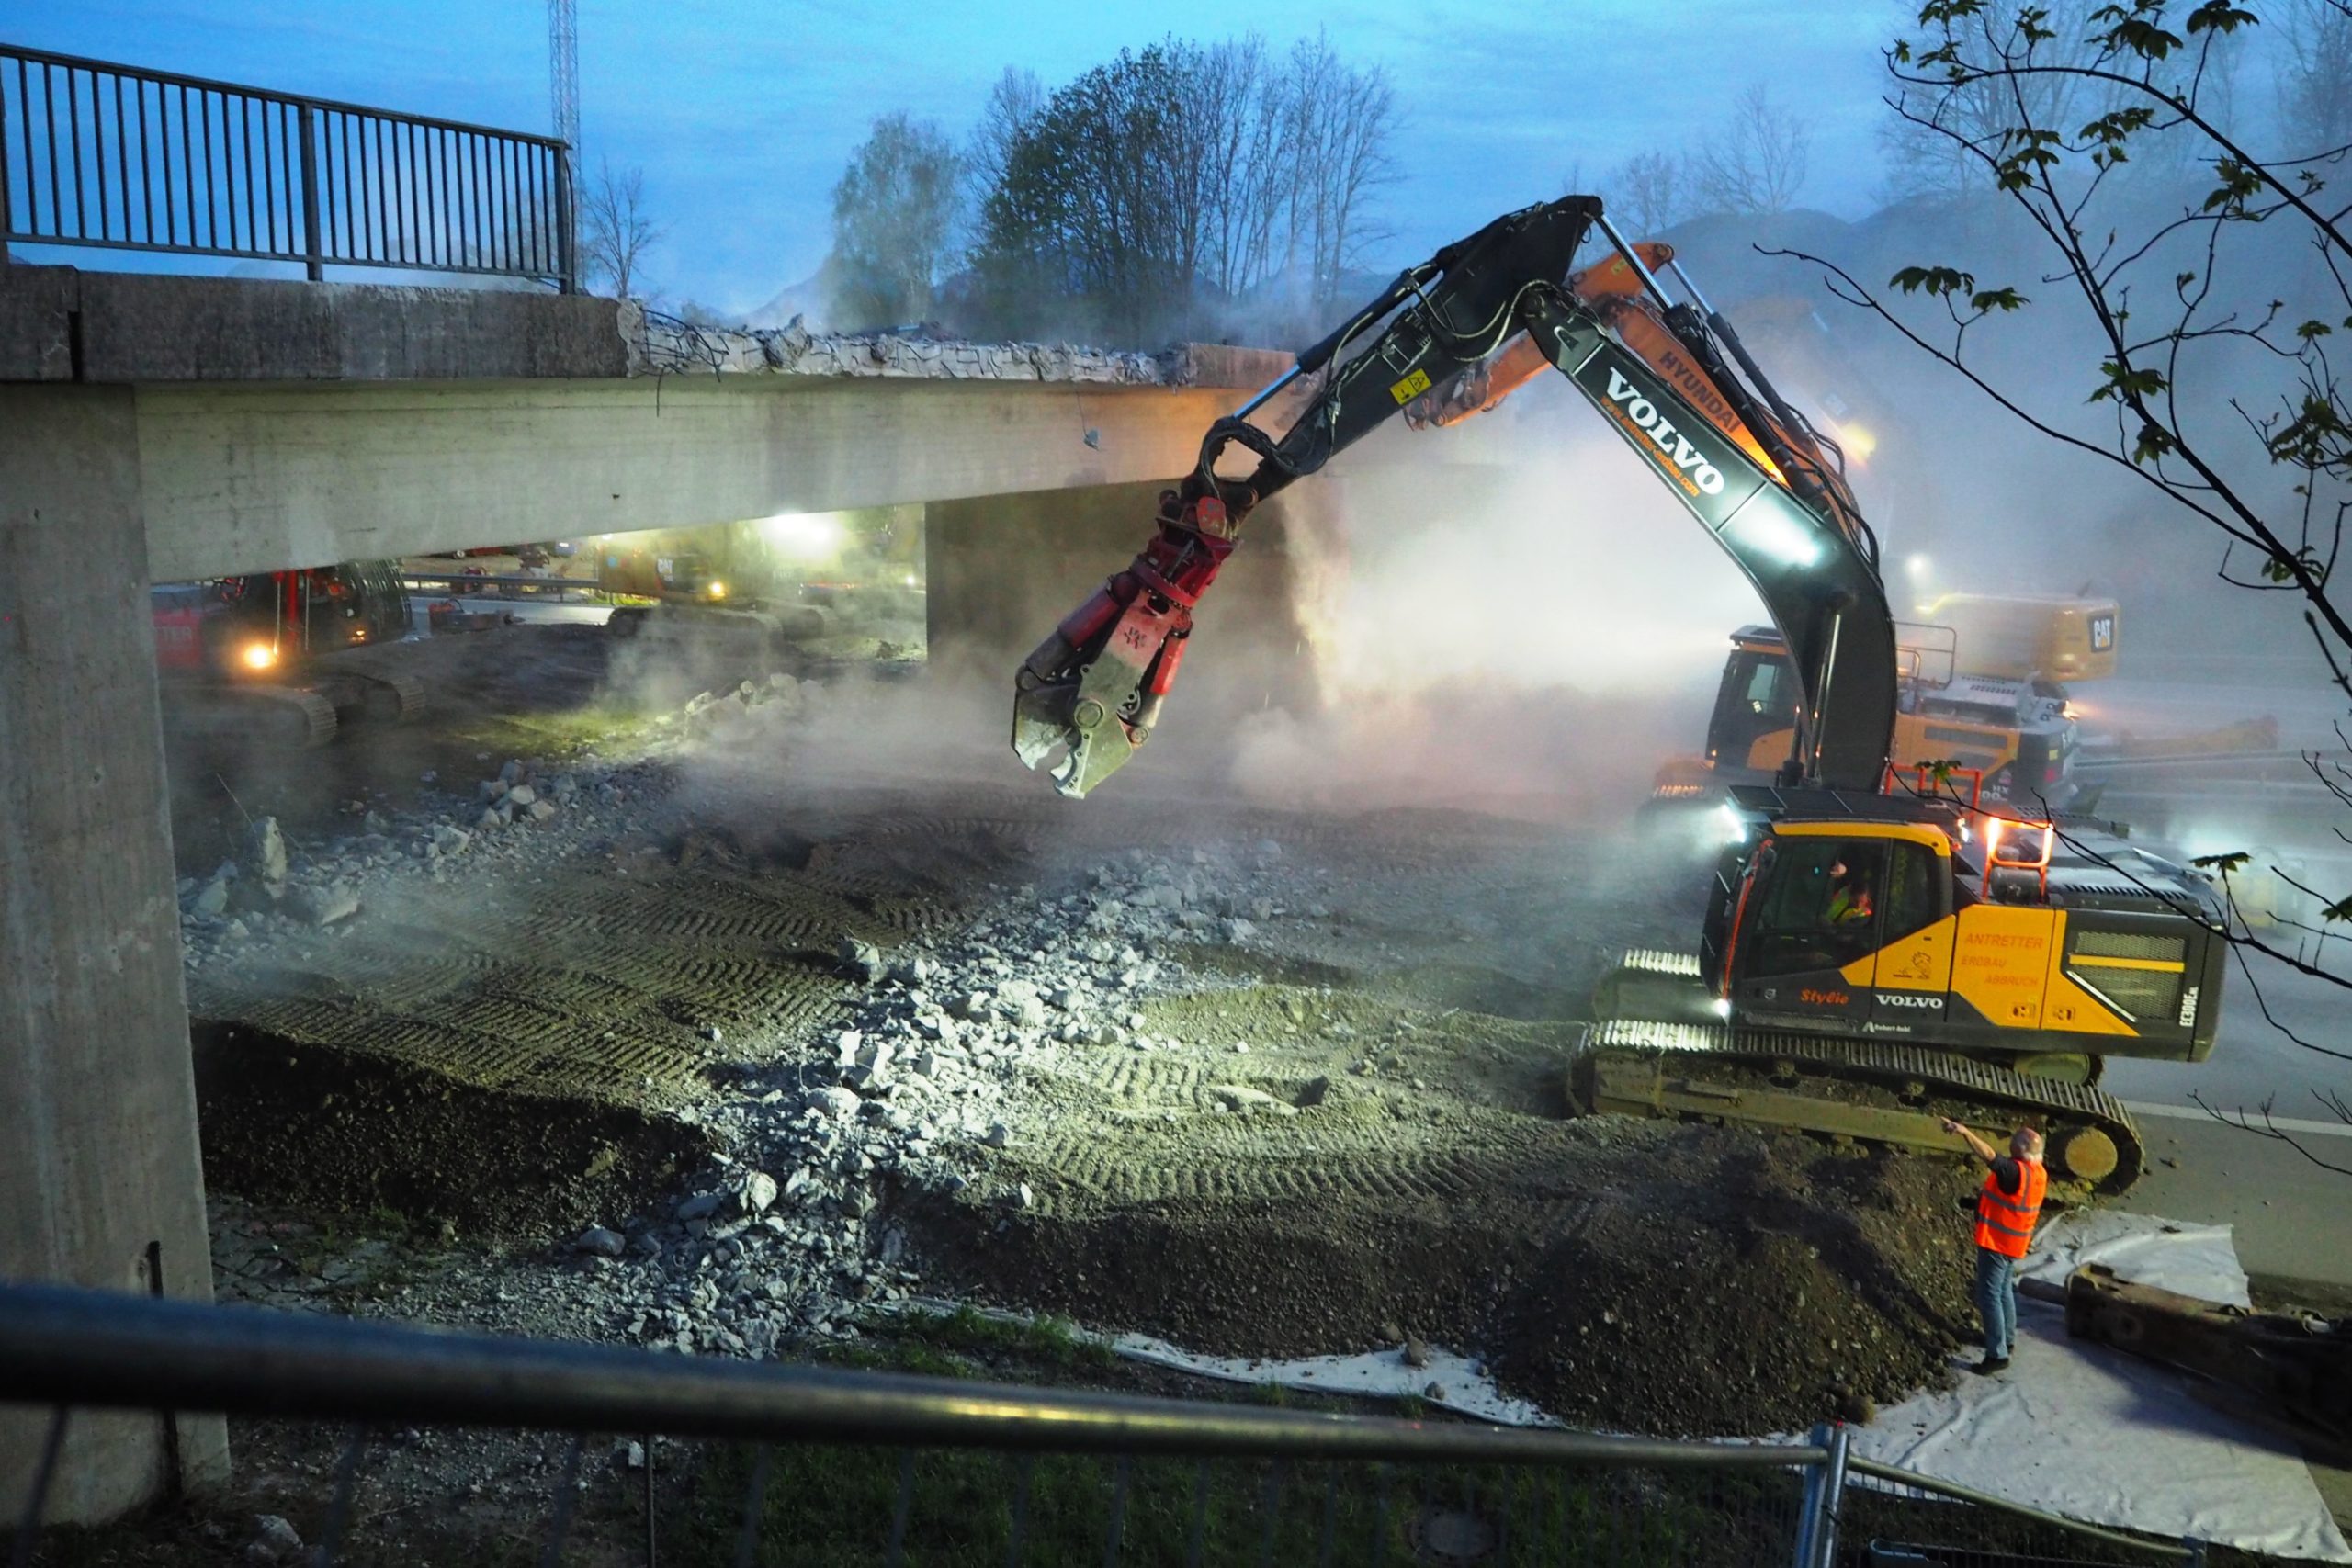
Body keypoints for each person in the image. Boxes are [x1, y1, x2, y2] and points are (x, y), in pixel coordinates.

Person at [1939, 1118, 2047, 1373]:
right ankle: (2005, 1341)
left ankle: (1997, 1355)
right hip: (2015, 1243)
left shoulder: (2013, 1172)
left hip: (1997, 1243)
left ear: (2018, 1149)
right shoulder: (2037, 1173)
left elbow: (1989, 1155)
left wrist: (1964, 1132)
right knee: (2003, 1291)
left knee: (1989, 1295)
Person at [1826, 858, 1874, 925]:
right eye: (1855, 901)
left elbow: (1848, 932)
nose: (1858, 906)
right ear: (1849, 894)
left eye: (1862, 902)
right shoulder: (1840, 892)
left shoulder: (1864, 916)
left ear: (1868, 898)